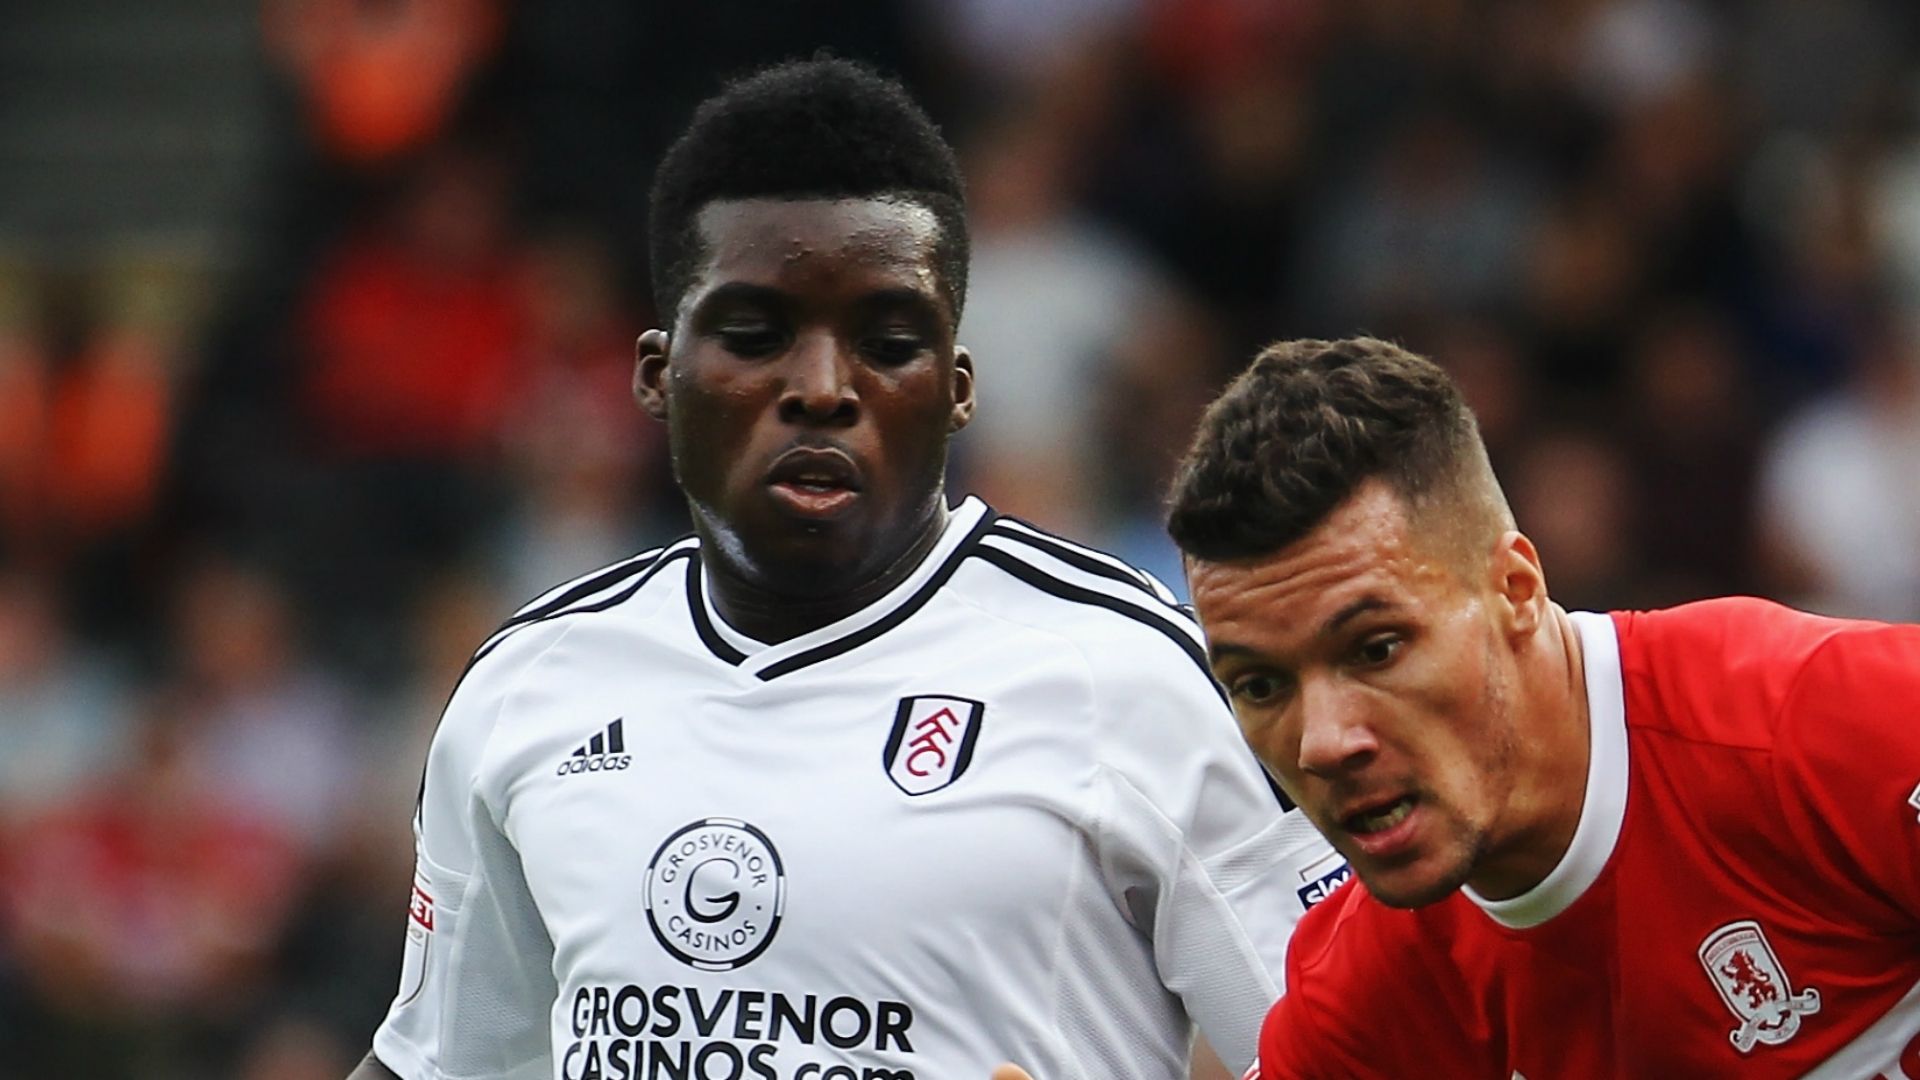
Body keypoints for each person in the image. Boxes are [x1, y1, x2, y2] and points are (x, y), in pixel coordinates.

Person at [348, 59, 1341, 1080]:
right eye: (754, 334)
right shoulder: (529, 685)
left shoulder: (1129, 675)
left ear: (957, 388)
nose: (821, 388)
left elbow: (1366, 1052)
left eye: (887, 340)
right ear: (656, 375)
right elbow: (436, 1065)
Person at [1160, 336, 1920, 1078]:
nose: (1322, 743)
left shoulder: (1820, 724)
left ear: (1516, 592)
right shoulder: (1364, 1001)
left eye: (1377, 648)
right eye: (1260, 687)